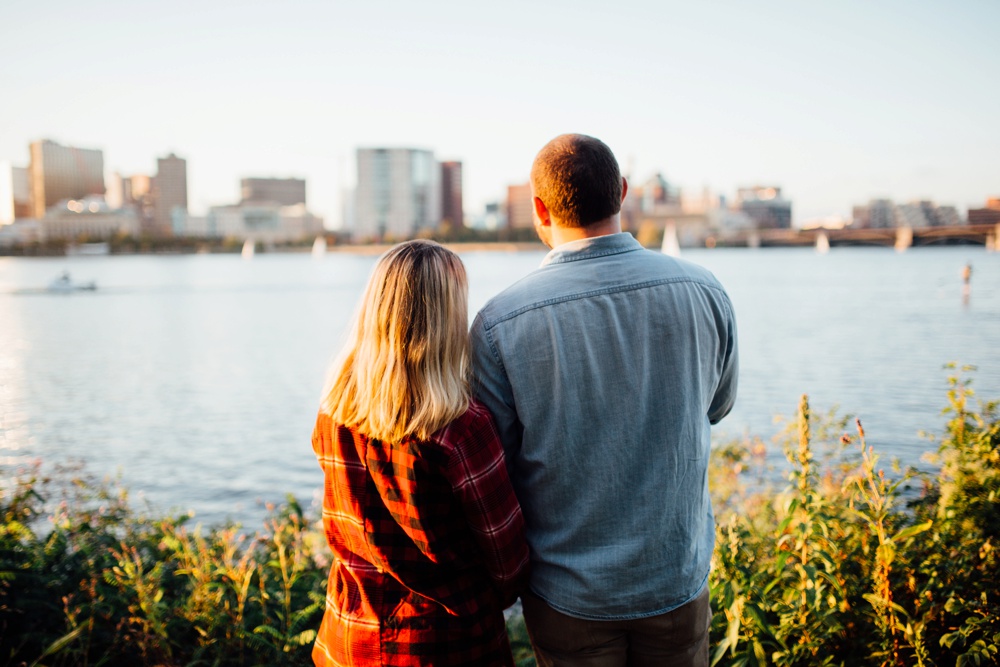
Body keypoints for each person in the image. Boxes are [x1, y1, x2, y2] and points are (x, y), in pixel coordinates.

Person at [471, 134, 739, 666]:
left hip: (570, 595)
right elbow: (718, 407)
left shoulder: (500, 323)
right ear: (621, 191)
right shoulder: (705, 291)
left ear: (539, 209)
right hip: (675, 578)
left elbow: (491, 460)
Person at [312, 240, 530, 666]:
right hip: (446, 644)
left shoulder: (334, 411)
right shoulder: (463, 427)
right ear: (447, 318)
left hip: (348, 636)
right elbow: (508, 559)